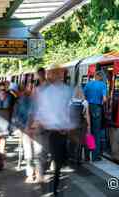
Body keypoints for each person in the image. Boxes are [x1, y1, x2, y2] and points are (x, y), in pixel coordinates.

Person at [34, 68, 73, 196]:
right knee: (49, 158)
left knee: (57, 161)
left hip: (59, 133)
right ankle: (49, 184)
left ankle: (53, 185)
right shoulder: (43, 92)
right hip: (51, 133)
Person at [83, 71, 107, 161]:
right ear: (100, 77)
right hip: (97, 109)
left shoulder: (88, 84)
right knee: (96, 133)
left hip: (88, 108)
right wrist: (102, 102)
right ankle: (95, 156)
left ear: (95, 76)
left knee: (89, 132)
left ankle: (87, 156)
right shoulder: (102, 85)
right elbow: (104, 99)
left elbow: (83, 96)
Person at [68, 86, 91, 164]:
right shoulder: (85, 102)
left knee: (72, 140)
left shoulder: (70, 101)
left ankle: (71, 157)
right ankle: (79, 158)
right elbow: (87, 115)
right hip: (81, 124)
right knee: (81, 141)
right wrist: (89, 126)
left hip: (72, 123)